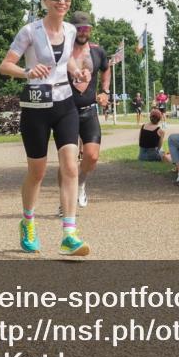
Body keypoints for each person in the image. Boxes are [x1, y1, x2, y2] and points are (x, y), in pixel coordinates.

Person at [0, 0, 91, 256]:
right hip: (36, 108)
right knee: (37, 173)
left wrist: (77, 71)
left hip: (65, 104)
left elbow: (68, 62)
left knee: (70, 166)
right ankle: (27, 221)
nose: (62, 1)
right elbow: (5, 66)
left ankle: (69, 234)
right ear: (46, 1)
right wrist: (27, 72)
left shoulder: (72, 30)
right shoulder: (30, 31)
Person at [58, 11, 110, 209]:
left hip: (89, 109)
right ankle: (65, 202)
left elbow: (106, 68)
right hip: (66, 110)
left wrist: (105, 91)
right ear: (72, 30)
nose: (83, 32)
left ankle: (79, 183)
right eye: (79, 29)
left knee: (92, 156)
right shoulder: (62, 51)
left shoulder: (98, 52)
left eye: (86, 29)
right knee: (67, 161)